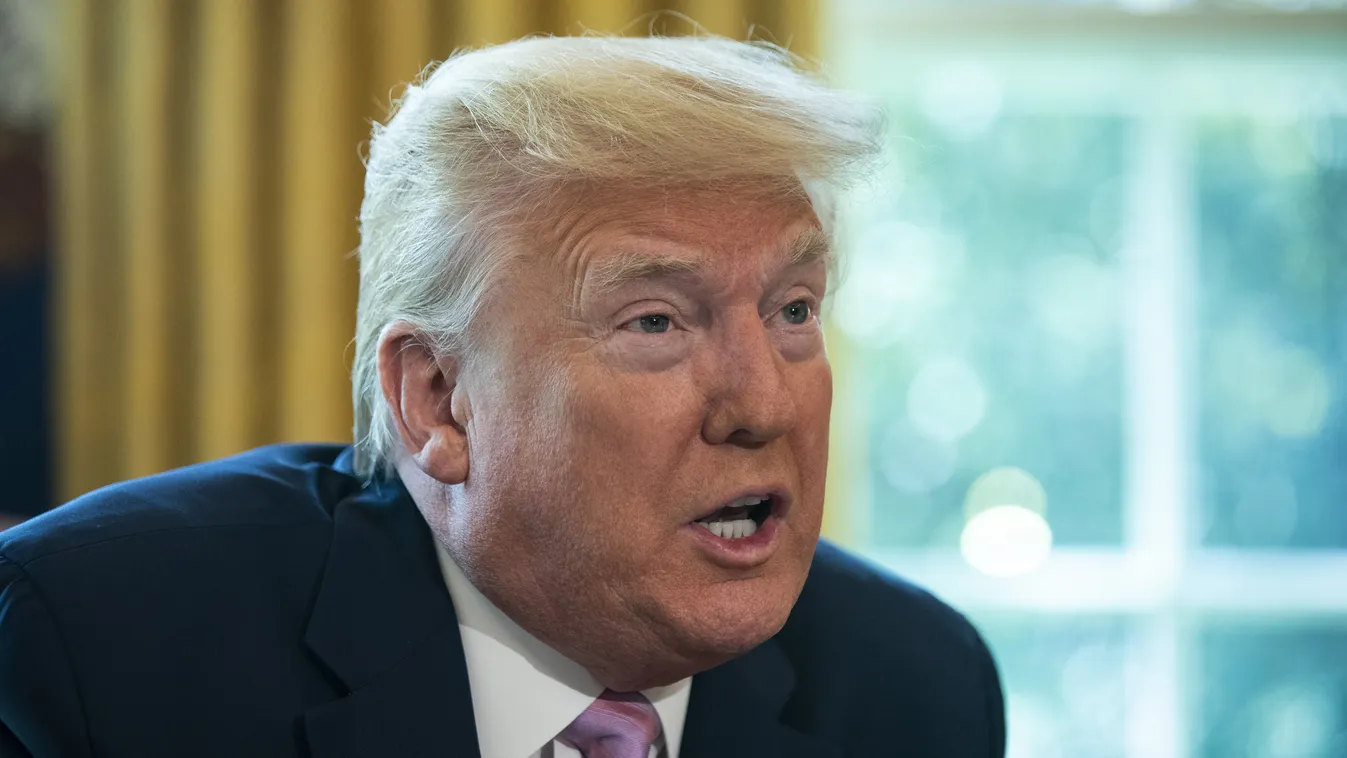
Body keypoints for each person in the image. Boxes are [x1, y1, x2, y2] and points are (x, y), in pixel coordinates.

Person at [0, 35, 1005, 758]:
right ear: (440, 400)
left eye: (793, 308)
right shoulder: (98, 645)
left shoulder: (913, 684)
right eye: (656, 320)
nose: (764, 403)